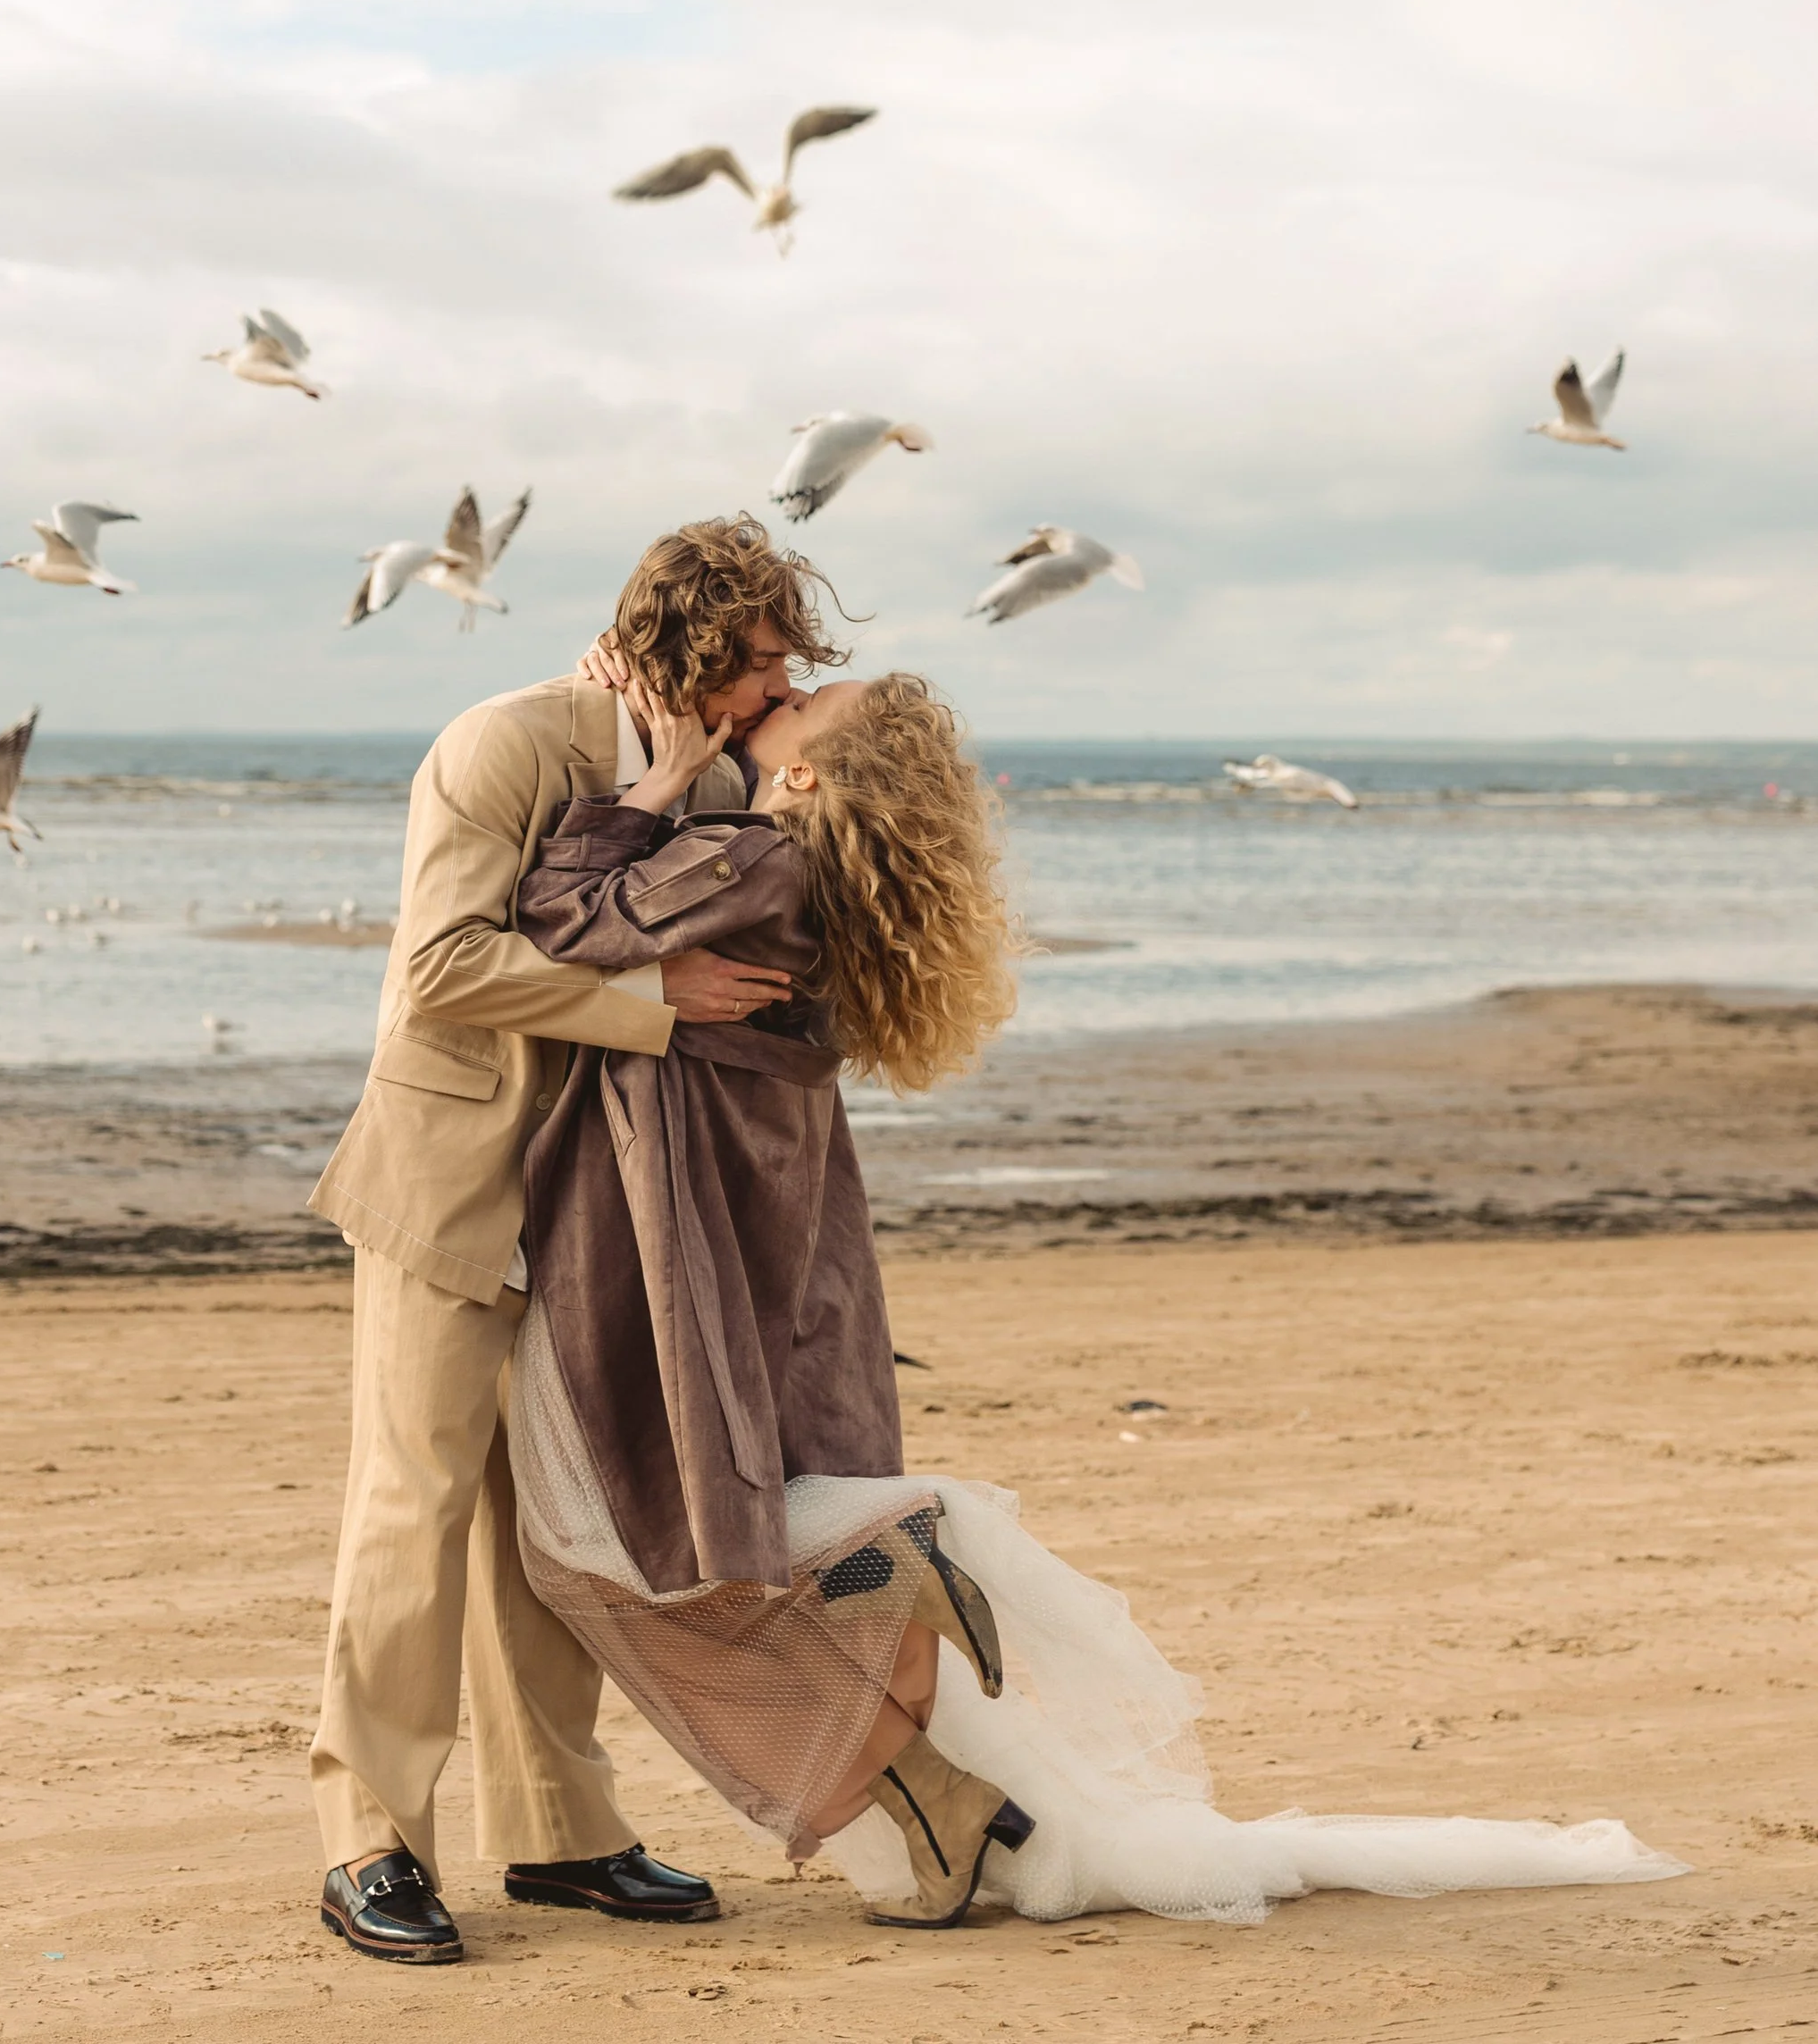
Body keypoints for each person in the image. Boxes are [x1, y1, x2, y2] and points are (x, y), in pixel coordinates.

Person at [507, 666, 1685, 1932]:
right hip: (739, 1222)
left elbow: (563, 911)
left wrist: (660, 782)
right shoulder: (823, 880)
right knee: (647, 1537)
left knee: (590, 1544)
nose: (763, 706)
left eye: (790, 709)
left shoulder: (757, 856)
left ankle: (892, 1540)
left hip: (659, 1233)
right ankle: (938, 1791)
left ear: (800, 775)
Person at [306, 514, 844, 1964]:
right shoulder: (504, 743)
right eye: (758, 654)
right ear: (684, 648)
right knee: (415, 1501)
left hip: (611, 1206)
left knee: (553, 1525)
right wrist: (651, 998)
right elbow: (440, 965)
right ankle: (371, 1838)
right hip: (453, 1176)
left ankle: (556, 1828)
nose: (777, 680)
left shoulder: (737, 773)